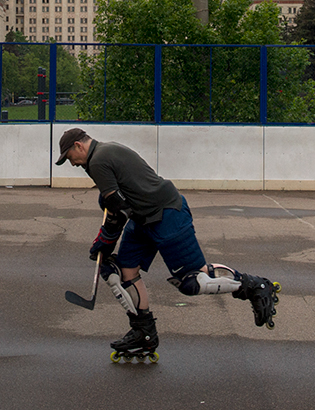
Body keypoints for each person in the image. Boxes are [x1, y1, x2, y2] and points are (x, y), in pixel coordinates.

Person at [57, 126, 280, 359]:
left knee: (193, 280)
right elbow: (118, 201)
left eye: (70, 158)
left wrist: (106, 240)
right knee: (124, 272)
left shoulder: (97, 160)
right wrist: (106, 230)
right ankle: (143, 332)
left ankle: (253, 286)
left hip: (166, 214)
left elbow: (119, 210)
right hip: (143, 218)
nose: (73, 164)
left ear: (78, 146)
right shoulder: (104, 152)